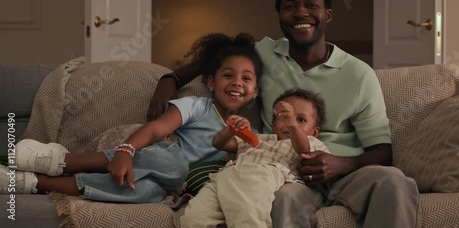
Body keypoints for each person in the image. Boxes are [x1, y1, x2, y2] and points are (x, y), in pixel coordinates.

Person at [148, 0, 420, 227]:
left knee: (395, 181)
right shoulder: (264, 53)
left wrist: (342, 163)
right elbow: (217, 58)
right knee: (284, 201)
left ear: (328, 14)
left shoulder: (359, 74)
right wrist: (169, 79)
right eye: (290, 6)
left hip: (346, 173)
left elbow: (383, 151)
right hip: (286, 174)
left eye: (311, 5)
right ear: (280, 16)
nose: (301, 13)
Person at [0, 33, 262, 204]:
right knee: (173, 159)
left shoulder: (247, 131)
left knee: (145, 192)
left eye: (246, 79)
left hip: (170, 188)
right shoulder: (197, 106)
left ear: (255, 92)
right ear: (211, 82)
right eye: (228, 75)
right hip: (153, 158)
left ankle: (36, 183)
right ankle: (63, 161)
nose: (236, 83)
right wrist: (126, 150)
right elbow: (155, 130)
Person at [180, 89, 329, 227]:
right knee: (193, 218)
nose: (291, 121)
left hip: (261, 174)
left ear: (314, 132)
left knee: (247, 214)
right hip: (226, 175)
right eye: (284, 116)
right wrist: (231, 130)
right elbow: (218, 143)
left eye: (301, 120)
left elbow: (304, 150)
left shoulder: (311, 143)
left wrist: (292, 125)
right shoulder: (259, 139)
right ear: (273, 124)